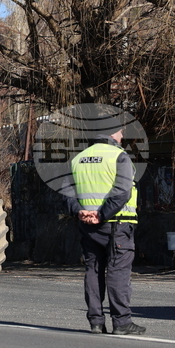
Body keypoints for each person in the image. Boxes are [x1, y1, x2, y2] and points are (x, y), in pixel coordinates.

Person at [66, 125, 146, 336]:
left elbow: (67, 191)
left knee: (93, 270)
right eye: (121, 132)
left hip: (87, 225)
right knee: (118, 271)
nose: (122, 136)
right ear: (113, 133)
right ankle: (121, 322)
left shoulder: (78, 159)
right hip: (117, 223)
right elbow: (122, 193)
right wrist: (102, 214)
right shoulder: (119, 157)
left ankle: (95, 321)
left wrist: (79, 211)